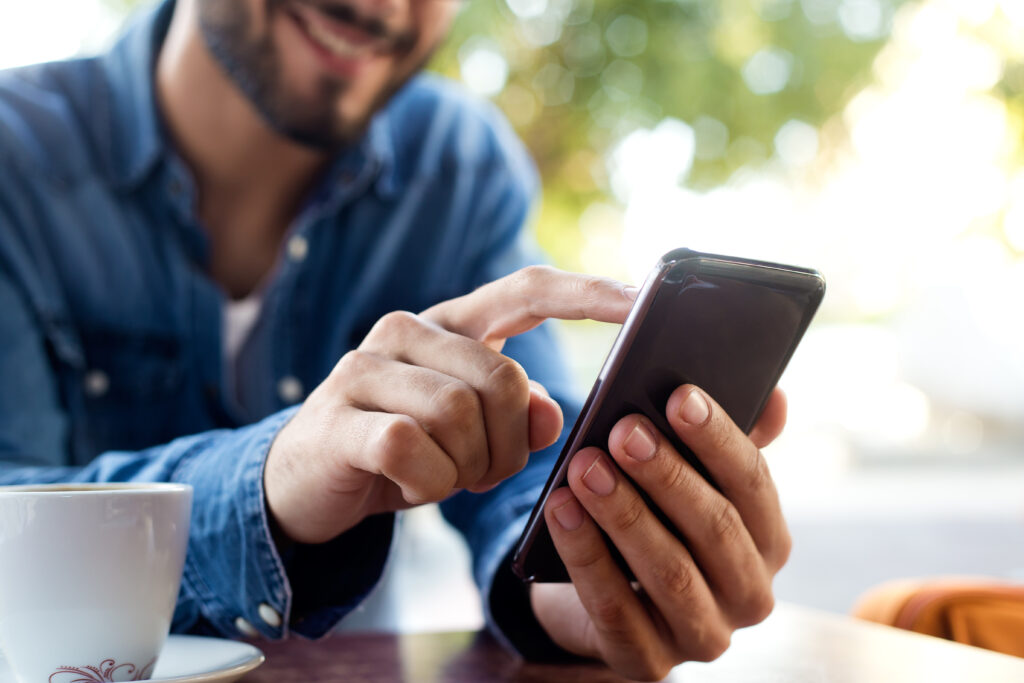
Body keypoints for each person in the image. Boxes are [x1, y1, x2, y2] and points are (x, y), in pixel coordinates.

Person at [0, 0, 791, 678]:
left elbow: (528, 483)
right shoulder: (15, 164)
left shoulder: (457, 167)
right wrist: (274, 482)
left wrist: (578, 579)